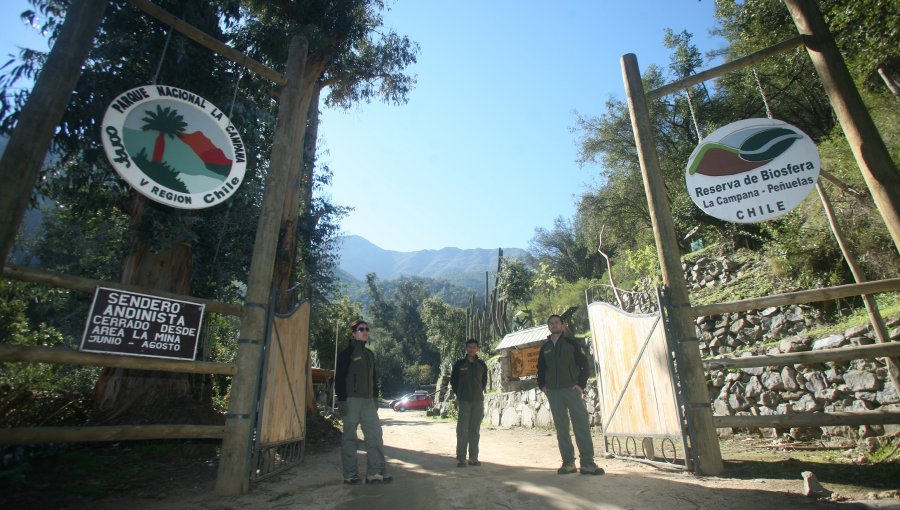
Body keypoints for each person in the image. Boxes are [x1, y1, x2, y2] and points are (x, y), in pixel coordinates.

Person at [537, 314, 604, 475]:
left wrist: (580, 385)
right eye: (551, 323)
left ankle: (587, 463)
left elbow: (584, 365)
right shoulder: (545, 347)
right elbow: (540, 369)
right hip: (553, 393)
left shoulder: (571, 343)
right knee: (561, 429)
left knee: (581, 425)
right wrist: (543, 387)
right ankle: (568, 463)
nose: (554, 325)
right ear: (549, 326)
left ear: (562, 325)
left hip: (571, 390)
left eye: (557, 322)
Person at [335, 319, 392, 484]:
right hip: (351, 401)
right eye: (361, 329)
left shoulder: (369, 354)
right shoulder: (347, 354)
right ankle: (350, 474)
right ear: (353, 334)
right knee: (350, 438)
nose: (365, 331)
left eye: (367, 329)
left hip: (368, 402)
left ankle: (375, 472)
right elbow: (339, 378)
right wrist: (342, 400)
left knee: (375, 435)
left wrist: (375, 398)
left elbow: (374, 379)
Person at [450, 338, 488, 467]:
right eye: (469, 347)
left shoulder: (482, 364)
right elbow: (453, 381)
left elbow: (484, 382)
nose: (472, 349)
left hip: (478, 401)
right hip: (464, 401)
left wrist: (478, 392)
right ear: (466, 348)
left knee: (475, 430)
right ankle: (461, 458)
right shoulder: (459, 364)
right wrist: (460, 393)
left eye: (474, 347)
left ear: (478, 348)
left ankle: (473, 458)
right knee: (462, 430)